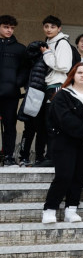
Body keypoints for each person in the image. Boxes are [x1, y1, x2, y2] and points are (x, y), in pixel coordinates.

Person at [41, 63, 83, 224]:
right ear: (73, 74)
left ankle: (71, 210)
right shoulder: (62, 94)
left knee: (79, 176)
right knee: (64, 175)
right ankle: (50, 209)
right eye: (80, 72)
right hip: (64, 141)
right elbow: (64, 118)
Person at [31, 16, 74, 166]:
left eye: (53, 27)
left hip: (57, 86)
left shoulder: (62, 43)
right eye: (46, 26)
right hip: (47, 86)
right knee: (45, 123)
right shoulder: (48, 42)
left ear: (59, 28)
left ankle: (53, 158)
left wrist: (47, 54)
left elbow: (64, 66)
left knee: (53, 124)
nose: (49, 29)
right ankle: (47, 157)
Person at [0, 15, 26, 165]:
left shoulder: (20, 48)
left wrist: (17, 82)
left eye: (12, 28)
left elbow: (25, 69)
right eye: (6, 27)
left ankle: (9, 156)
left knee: (10, 125)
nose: (9, 30)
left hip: (11, 94)